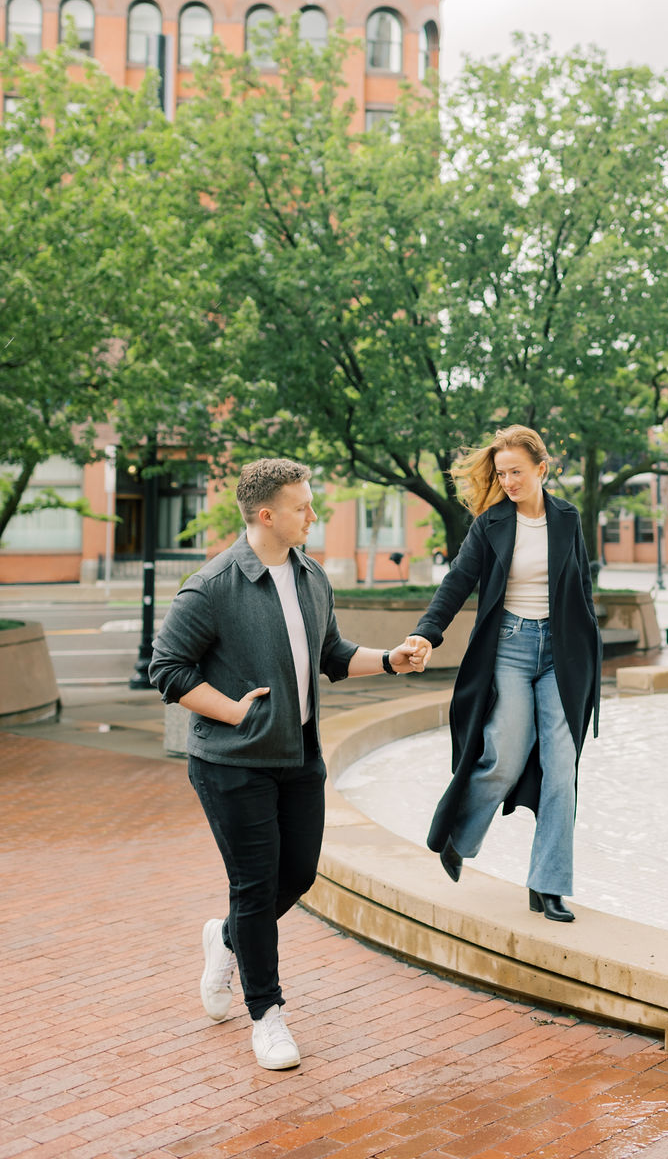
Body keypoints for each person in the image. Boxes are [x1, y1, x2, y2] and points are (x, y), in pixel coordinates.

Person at [149, 458, 430, 1071]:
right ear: (268, 514)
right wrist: (229, 710)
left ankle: (225, 939)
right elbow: (166, 669)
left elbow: (331, 654)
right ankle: (266, 1017)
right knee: (253, 887)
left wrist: (391, 661)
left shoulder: (310, 576)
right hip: (231, 764)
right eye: (304, 506)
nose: (314, 514)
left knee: (297, 876)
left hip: (299, 756)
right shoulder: (214, 584)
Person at [403, 425, 602, 923]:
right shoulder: (490, 524)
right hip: (510, 651)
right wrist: (427, 633)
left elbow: (581, 591)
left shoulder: (567, 519)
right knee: (505, 755)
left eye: (517, 472)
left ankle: (548, 885)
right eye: (501, 473)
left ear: (542, 468)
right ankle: (458, 836)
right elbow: (457, 583)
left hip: (562, 657)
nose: (508, 481)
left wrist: (590, 659)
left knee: (562, 771)